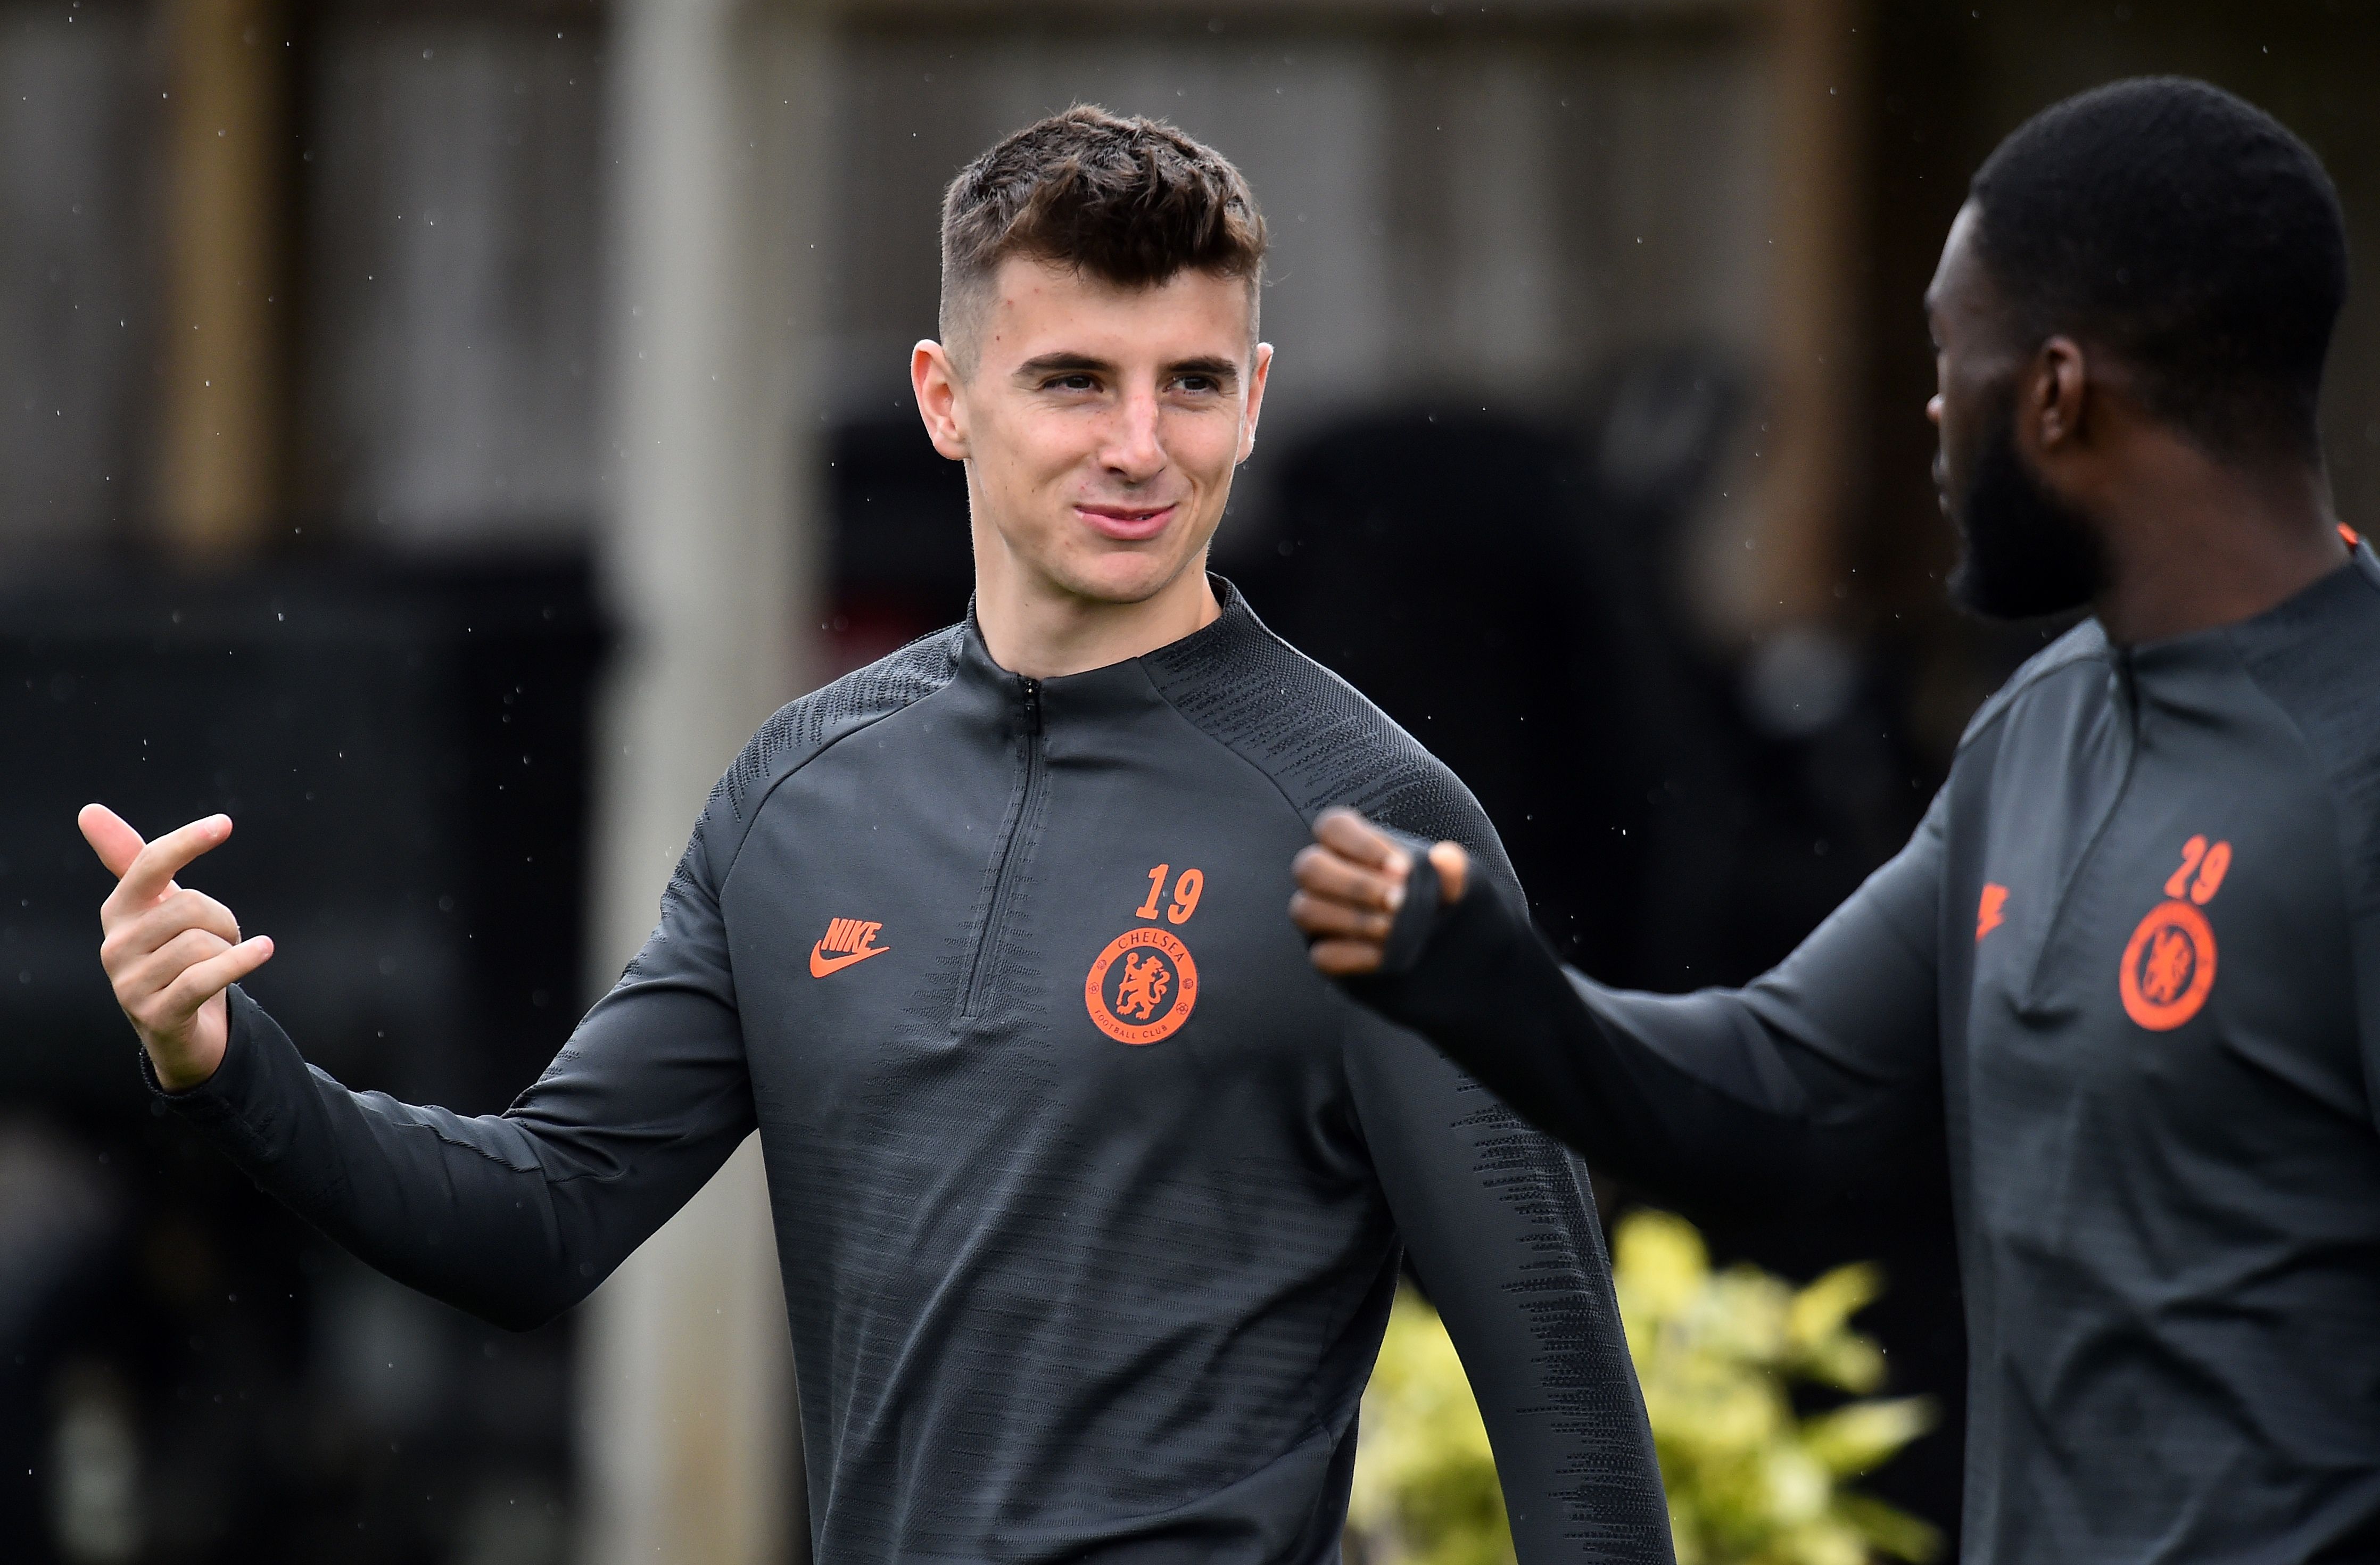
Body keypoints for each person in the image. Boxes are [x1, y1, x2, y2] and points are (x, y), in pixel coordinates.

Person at [82, 107, 1671, 1562]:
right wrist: (224, 1061)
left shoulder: (1376, 830)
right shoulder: (801, 797)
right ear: (945, 399)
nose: (1141, 444)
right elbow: (539, 1217)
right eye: (1074, 380)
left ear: (1251, 400)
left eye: (1191, 383)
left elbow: (1578, 1442)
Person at [1293, 77, 2380, 1563]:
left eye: (1951, 351)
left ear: (2057, 394)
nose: (1935, 411)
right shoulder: (2039, 733)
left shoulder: (2352, 769)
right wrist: (1477, 975)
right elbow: (1779, 1086)